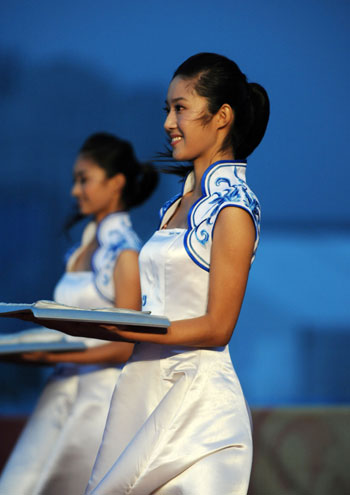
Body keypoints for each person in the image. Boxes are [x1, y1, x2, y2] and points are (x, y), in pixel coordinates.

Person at [84, 53, 270, 495]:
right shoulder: (178, 205)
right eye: (167, 109)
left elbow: (217, 327)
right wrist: (104, 325)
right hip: (141, 390)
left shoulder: (234, 208)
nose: (169, 122)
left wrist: (124, 328)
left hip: (197, 406)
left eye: (180, 108)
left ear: (222, 116)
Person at [0, 133, 158, 495]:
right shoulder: (79, 250)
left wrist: (56, 354)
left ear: (115, 182)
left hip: (98, 399)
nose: (75, 190)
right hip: (60, 389)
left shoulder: (125, 254)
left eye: (84, 179)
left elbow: (125, 345)